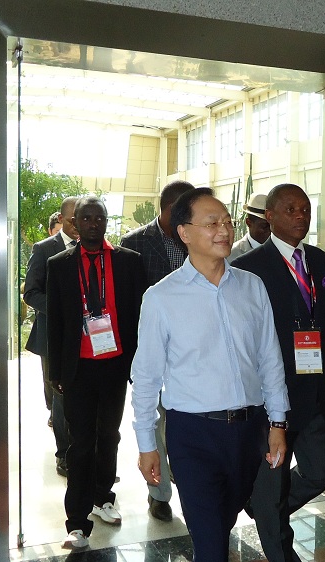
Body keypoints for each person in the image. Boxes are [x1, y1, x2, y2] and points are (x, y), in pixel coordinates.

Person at [131, 187, 290, 562]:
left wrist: (277, 422)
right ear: (184, 232)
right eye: (211, 223)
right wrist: (146, 444)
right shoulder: (161, 298)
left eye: (227, 221)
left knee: (223, 523)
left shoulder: (251, 286)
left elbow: (269, 358)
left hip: (249, 432)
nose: (224, 230)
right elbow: (146, 378)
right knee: (210, 541)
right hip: (193, 435)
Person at [232, 183, 325, 562]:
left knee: (323, 470)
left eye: (305, 209)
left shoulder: (321, 261)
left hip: (315, 391)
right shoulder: (247, 267)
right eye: (291, 209)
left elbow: (323, 326)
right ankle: (278, 542)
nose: (300, 216)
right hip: (270, 396)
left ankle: (264, 505)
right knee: (272, 481)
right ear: (270, 216)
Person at [46, 196, 147, 550]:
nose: (92, 223)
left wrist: (141, 363)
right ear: (75, 223)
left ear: (106, 221)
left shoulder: (128, 262)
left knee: (109, 436)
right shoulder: (59, 265)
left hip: (116, 363)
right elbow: (56, 322)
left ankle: (103, 496)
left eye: (98, 217)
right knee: (81, 443)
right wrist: (55, 371)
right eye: (85, 218)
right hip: (79, 367)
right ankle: (76, 522)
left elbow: (140, 315)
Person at [120, 179, 195, 521]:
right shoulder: (134, 244)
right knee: (154, 422)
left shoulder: (197, 238)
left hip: (193, 352)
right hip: (152, 351)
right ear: (167, 209)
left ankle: (190, 485)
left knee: (184, 425)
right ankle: (159, 493)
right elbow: (126, 306)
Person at [23, 196, 78, 476]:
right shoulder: (44, 249)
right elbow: (31, 292)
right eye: (75, 219)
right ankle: (64, 455)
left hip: (88, 338)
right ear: (63, 219)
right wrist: (61, 310)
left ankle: (86, 456)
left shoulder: (93, 248)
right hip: (53, 336)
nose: (81, 224)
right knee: (59, 397)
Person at [228, 192, 271, 262]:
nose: (271, 230)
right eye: (265, 226)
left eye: (273, 225)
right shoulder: (231, 255)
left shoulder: (282, 250)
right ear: (249, 223)